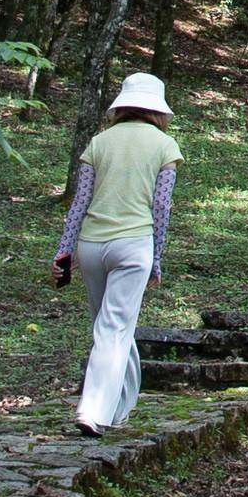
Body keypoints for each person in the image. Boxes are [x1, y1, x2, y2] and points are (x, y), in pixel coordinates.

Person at [52, 74, 180, 436]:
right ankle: (92, 410)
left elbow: (80, 202)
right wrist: (157, 257)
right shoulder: (165, 146)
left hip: (91, 246)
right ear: (159, 110)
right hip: (133, 245)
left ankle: (123, 405)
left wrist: (64, 250)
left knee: (111, 326)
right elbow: (161, 207)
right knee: (114, 328)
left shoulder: (99, 142)